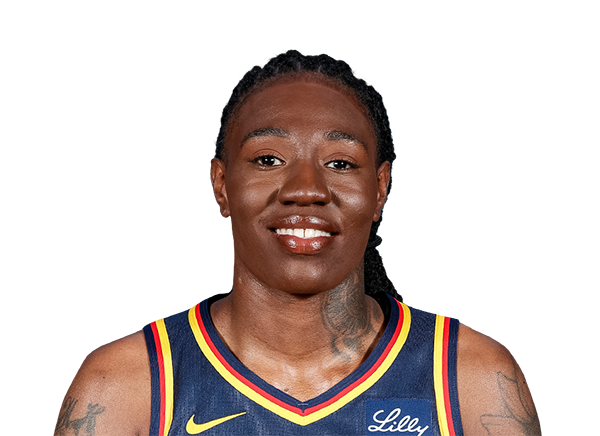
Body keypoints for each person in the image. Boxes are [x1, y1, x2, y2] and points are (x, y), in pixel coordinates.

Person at [56, 51, 540, 436]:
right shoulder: (126, 387)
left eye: (340, 163)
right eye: (268, 159)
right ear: (222, 185)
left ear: (380, 189)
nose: (306, 189)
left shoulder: (468, 379)